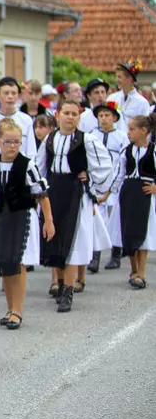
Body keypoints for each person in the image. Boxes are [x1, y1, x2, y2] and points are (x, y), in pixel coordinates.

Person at [37, 100, 112, 313]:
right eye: (66, 113)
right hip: (54, 191)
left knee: (72, 241)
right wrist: (38, 190)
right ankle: (60, 284)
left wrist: (90, 178)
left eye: (74, 114)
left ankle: (68, 290)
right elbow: (40, 166)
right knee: (55, 238)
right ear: (58, 115)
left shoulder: (86, 139)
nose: (70, 117)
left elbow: (105, 164)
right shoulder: (50, 139)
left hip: (75, 193)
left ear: (79, 117)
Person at [0, 118, 54, 331]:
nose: (13, 146)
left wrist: (48, 221)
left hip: (22, 217)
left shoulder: (27, 165)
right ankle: (9, 308)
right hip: (0, 218)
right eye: (8, 142)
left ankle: (18, 310)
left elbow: (41, 194)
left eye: (17, 142)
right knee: (6, 263)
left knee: (19, 263)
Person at [109, 114, 156, 289]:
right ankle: (134, 269)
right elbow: (119, 174)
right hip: (128, 192)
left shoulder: (153, 150)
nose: (128, 132)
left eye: (131, 129)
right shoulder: (126, 151)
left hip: (145, 193)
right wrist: (107, 193)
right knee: (128, 230)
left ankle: (141, 273)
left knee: (143, 231)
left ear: (143, 131)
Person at [88, 101, 128, 274]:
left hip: (116, 183)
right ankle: (95, 256)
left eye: (107, 115)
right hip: (97, 182)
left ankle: (116, 254)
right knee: (98, 218)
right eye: (101, 115)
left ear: (114, 118)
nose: (103, 119)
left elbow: (123, 162)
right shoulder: (92, 135)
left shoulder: (121, 137)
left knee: (116, 218)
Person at [0, 77, 38, 158]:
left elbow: (31, 151)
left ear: (18, 96)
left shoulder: (26, 120)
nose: (10, 96)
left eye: (13, 93)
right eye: (6, 93)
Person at [107, 58, 150, 128]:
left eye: (119, 77)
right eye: (116, 77)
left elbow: (146, 127)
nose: (116, 80)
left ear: (129, 79)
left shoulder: (142, 103)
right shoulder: (112, 98)